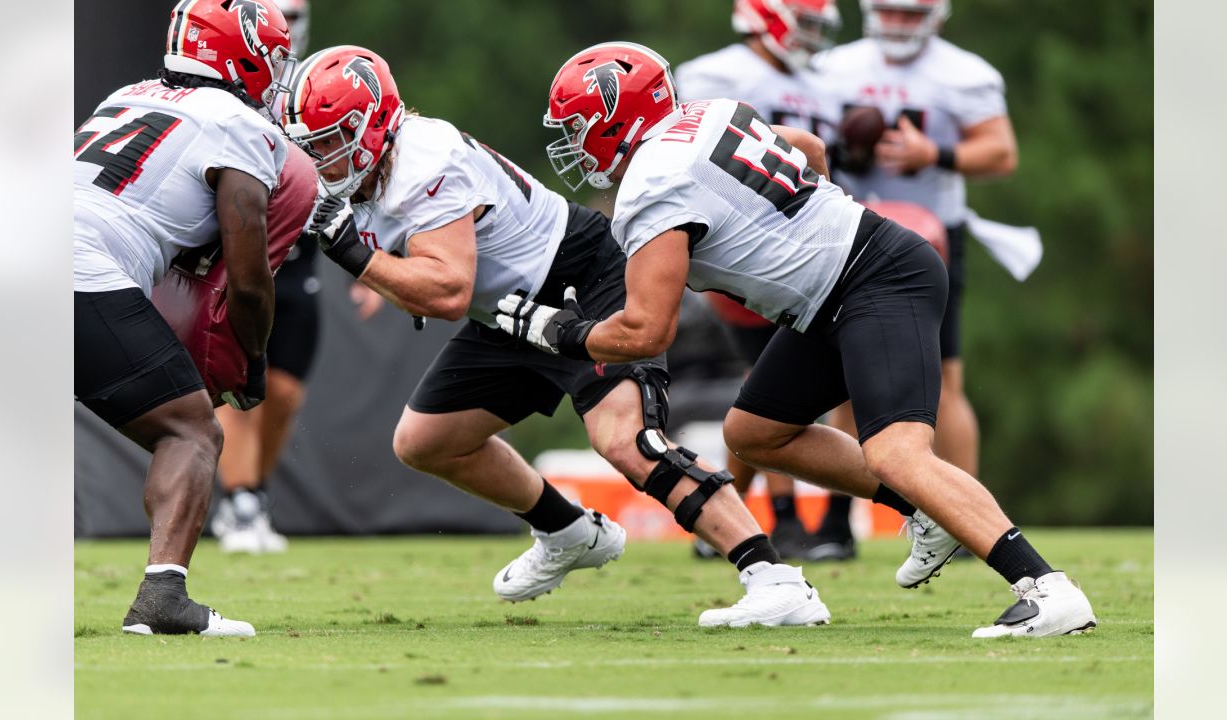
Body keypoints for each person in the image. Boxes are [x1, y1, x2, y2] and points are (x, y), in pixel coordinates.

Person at [503, 41, 1096, 637]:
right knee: (755, 433)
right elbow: (809, 150)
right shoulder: (709, 114)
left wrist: (563, 332)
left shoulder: (650, 186)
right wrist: (809, 228)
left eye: (579, 127)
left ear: (616, 117)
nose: (574, 144)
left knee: (895, 452)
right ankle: (926, 511)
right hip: (843, 285)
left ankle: (1045, 588)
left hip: (873, 278)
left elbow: (648, 330)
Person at [283, 45, 830, 627]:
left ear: (370, 126)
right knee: (427, 440)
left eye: (327, 139)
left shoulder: (423, 159)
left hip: (583, 279)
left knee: (626, 440)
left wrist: (359, 259)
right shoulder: (376, 165)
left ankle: (772, 576)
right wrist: (382, 268)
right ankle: (567, 530)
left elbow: (446, 293)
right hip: (513, 311)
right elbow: (422, 260)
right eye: (310, 143)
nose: (319, 157)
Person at [74, 0, 297, 635]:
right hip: (79, 265)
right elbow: (249, 281)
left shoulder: (128, 95)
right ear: (239, 53)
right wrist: (252, 360)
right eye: (270, 57)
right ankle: (163, 598)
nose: (275, 72)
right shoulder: (236, 122)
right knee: (192, 431)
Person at [809, 0, 1020, 557]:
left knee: (945, 380)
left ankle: (973, 519)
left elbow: (1001, 152)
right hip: (847, 233)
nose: (898, 23)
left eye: (910, 13)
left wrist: (936, 153)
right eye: (890, 11)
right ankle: (836, 520)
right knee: (843, 378)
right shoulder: (833, 66)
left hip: (931, 239)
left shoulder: (964, 73)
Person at [675, 0, 851, 561]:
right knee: (770, 384)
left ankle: (730, 512)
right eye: (807, 22)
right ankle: (782, 517)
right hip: (748, 243)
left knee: (771, 389)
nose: (812, 38)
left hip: (809, 243)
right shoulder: (715, 74)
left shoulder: (824, 83)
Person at [211, 0, 318, 555]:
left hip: (302, 259)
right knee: (237, 384)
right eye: (282, 14)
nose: (291, 26)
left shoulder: (318, 80)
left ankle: (252, 493)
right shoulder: (231, 83)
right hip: (238, 250)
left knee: (283, 393)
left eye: (298, 14)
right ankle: (243, 499)